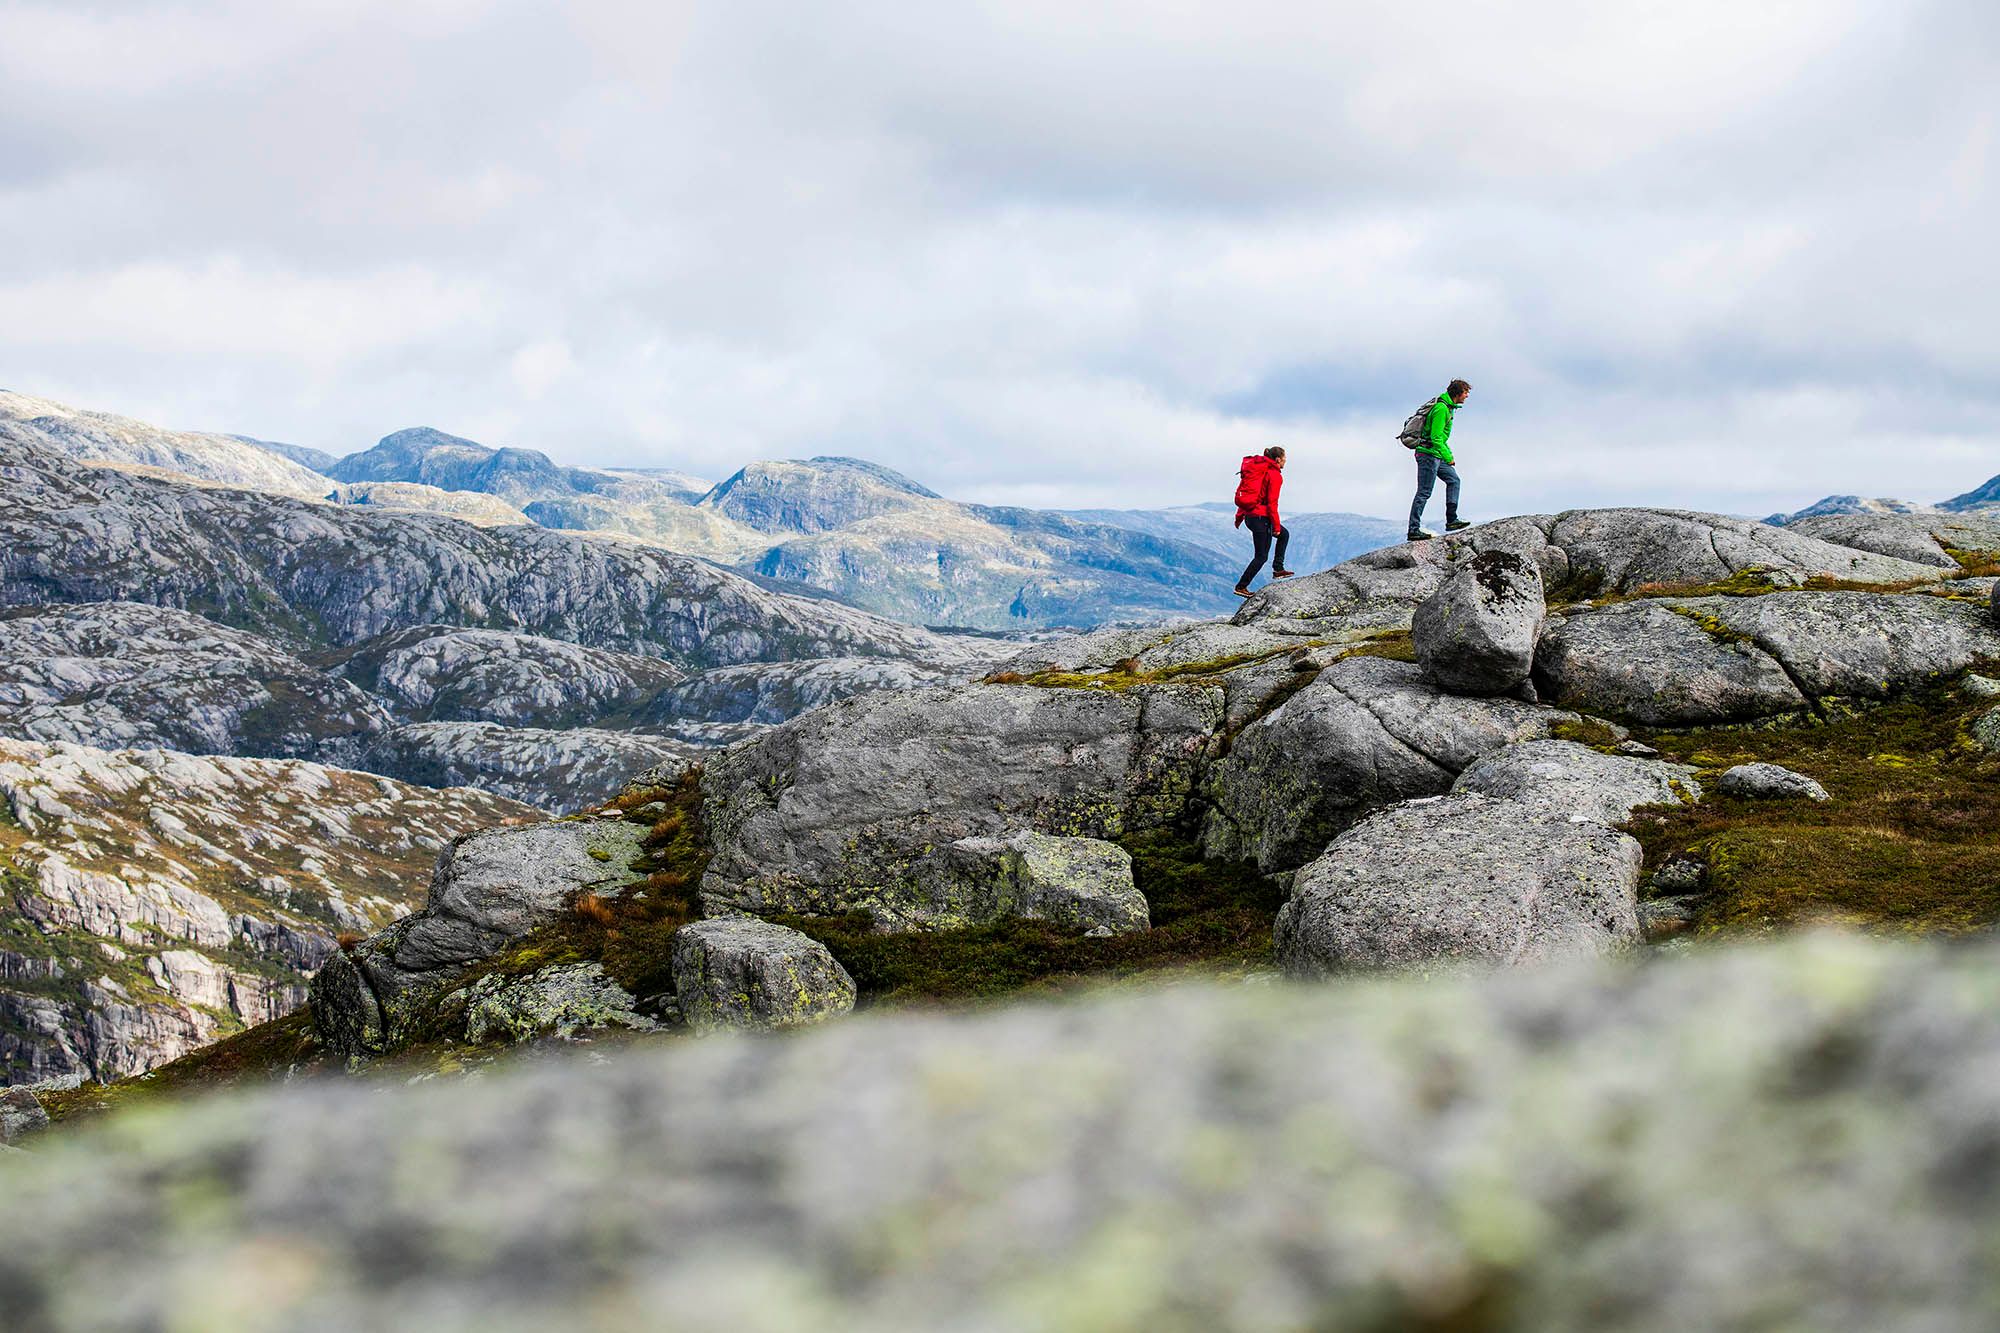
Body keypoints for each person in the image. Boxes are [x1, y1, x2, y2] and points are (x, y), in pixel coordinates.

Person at [1409, 379, 1473, 541]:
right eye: (1465, 393)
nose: (1467, 396)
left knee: (1454, 480)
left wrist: (1445, 454)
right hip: (1428, 454)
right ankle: (1413, 529)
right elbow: (1436, 437)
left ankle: (1451, 520)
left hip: (1436, 454)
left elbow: (1440, 439)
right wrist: (1449, 457)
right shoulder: (1441, 409)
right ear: (1458, 393)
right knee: (1424, 492)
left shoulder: (1448, 408)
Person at [1233, 445, 1293, 596]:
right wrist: (1276, 525)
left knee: (1284, 535)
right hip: (1261, 518)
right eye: (1285, 458)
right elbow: (1272, 503)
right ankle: (1241, 587)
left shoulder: (1261, 470)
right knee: (1261, 556)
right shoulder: (1274, 475)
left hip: (1253, 517)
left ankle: (1278, 569)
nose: (1286, 461)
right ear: (1278, 459)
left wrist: (1240, 516)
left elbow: (1251, 495)